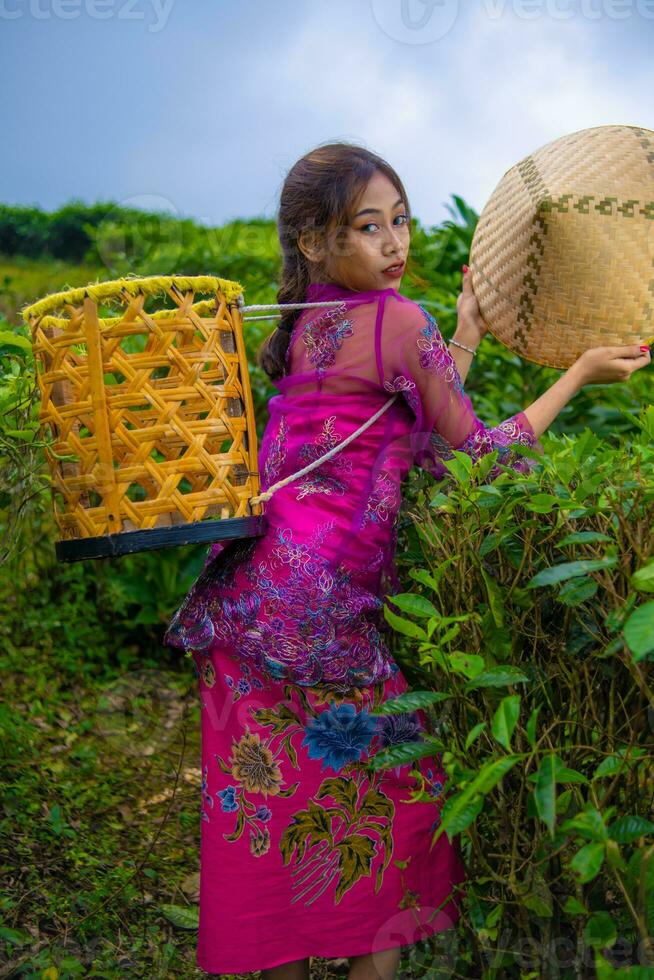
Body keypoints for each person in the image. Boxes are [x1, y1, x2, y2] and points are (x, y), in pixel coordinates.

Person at [163, 142, 651, 980]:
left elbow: (412, 433)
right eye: (368, 227)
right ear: (315, 242)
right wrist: (575, 374)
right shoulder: (398, 322)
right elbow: (476, 456)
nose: (395, 242)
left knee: (270, 824)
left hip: (245, 598)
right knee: (397, 808)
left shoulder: (305, 325)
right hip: (321, 611)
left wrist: (462, 332)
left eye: (402, 221)